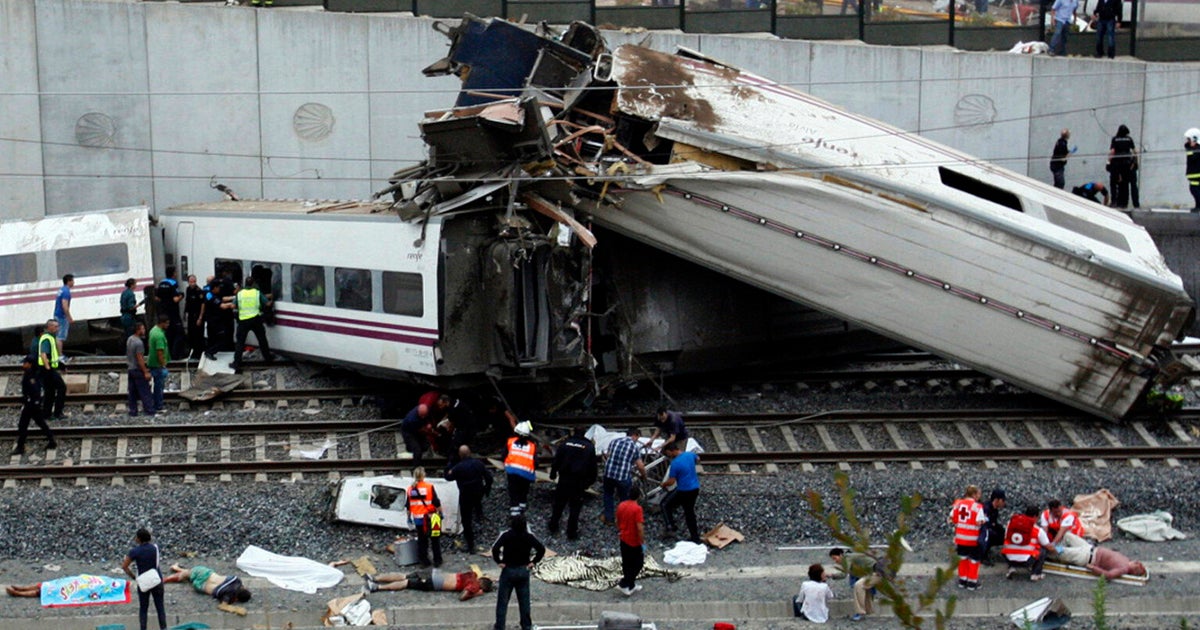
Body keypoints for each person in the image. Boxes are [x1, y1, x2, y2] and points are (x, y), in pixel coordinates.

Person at [491, 513, 545, 630]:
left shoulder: (506, 535)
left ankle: (500, 626)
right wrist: (533, 562)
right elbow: (541, 549)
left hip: (508, 570)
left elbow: (495, 548)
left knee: (502, 602)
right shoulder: (528, 537)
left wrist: (499, 561)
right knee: (524, 602)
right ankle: (526, 625)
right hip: (523, 570)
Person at [548, 426, 597, 540]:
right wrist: (589, 482)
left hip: (564, 479)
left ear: (573, 432)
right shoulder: (589, 447)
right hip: (579, 482)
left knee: (559, 504)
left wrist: (553, 473)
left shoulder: (565, 444)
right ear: (584, 434)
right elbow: (592, 467)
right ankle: (571, 532)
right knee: (575, 507)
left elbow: (556, 460)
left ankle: (553, 525)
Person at [445, 445, 492, 552]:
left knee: (466, 520)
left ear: (460, 455)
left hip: (465, 495)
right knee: (477, 503)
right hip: (478, 491)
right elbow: (489, 478)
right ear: (470, 452)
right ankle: (479, 515)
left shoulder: (458, 468)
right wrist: (486, 489)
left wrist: (450, 464)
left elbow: (448, 477)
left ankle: (470, 545)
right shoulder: (478, 464)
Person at [1052, 531, 1148, 579]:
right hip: (1089, 548)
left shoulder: (1123, 569)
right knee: (1068, 535)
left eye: (1137, 564)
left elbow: (1108, 575)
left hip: (1087, 557)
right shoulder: (1126, 560)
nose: (1137, 562)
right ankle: (1056, 548)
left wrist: (1093, 568)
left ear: (1134, 570)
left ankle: (1046, 552)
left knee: (1060, 551)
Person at [122, 528, 167, 630]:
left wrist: (134, 577)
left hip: (143, 583)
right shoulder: (155, 548)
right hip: (157, 580)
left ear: (139, 539)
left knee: (143, 609)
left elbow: (124, 566)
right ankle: (163, 628)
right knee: (160, 607)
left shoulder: (134, 551)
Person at [828, 547, 888, 622]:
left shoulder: (847, 558)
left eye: (835, 558)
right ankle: (868, 610)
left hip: (879, 572)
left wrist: (831, 575)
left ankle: (860, 613)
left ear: (841, 555)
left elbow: (844, 574)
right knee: (863, 586)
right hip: (875, 573)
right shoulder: (850, 557)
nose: (835, 561)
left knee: (858, 585)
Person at [11, 354, 55, 455]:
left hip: (31, 405)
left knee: (23, 425)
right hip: (33, 404)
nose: (23, 364)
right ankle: (51, 440)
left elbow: (35, 391)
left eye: (25, 363)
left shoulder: (30, 376)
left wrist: (30, 401)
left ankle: (20, 447)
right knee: (40, 423)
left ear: (30, 364)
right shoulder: (32, 373)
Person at [602, 427, 647, 525]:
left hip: (608, 473)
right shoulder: (634, 447)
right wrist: (644, 476)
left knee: (608, 494)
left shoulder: (614, 441)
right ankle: (622, 520)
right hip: (622, 477)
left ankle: (609, 518)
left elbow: (608, 455)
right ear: (636, 435)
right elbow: (640, 466)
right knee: (624, 498)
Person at [659, 441, 701, 544]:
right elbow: (698, 459)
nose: (668, 456)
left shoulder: (675, 463)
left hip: (684, 490)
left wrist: (663, 484)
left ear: (671, 451)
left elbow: (671, 481)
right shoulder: (690, 455)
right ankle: (695, 537)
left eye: (667, 453)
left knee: (665, 504)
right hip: (695, 488)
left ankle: (671, 527)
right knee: (689, 511)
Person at [363, 568, 494, 601]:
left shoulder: (472, 575)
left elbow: (480, 574)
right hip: (435, 583)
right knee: (406, 583)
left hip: (435, 573)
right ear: (482, 588)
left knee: (405, 575)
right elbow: (462, 597)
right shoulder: (474, 587)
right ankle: (377, 587)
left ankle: (375, 577)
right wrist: (476, 594)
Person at [230, 277, 274, 371]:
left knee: (240, 343)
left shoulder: (240, 293)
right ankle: (268, 359)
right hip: (256, 319)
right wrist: (272, 300)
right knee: (262, 340)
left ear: (244, 284)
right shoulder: (257, 292)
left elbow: (233, 306)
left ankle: (236, 363)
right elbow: (267, 304)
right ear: (253, 284)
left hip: (243, 320)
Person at [948, 484, 987, 590]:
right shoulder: (977, 507)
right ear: (974, 494)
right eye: (978, 494)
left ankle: (962, 580)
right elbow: (979, 522)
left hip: (960, 538)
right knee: (974, 560)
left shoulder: (958, 504)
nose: (979, 496)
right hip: (972, 539)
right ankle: (972, 583)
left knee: (962, 559)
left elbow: (951, 518)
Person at [1002, 506, 1055, 581]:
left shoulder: (1010, 525)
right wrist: (1058, 550)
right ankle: (1035, 574)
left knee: (1010, 546)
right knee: (1043, 550)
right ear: (1035, 516)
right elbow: (1049, 547)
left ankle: (1012, 567)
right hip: (1026, 561)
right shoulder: (1037, 529)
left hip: (1008, 558)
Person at [406, 466, 443, 567]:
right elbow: (436, 502)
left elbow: (408, 506)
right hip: (431, 518)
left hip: (418, 520)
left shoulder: (410, 489)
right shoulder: (429, 487)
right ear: (424, 475)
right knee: (435, 539)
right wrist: (441, 513)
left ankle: (424, 561)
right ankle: (437, 560)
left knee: (422, 540)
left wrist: (408, 518)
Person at [162, 564, 252, 604]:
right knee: (189, 577)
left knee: (190, 573)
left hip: (206, 574)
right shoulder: (228, 596)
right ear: (236, 598)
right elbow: (223, 605)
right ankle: (176, 569)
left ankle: (169, 576)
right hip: (201, 586)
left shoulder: (236, 579)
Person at [615, 485, 645, 597]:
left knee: (627, 562)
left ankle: (631, 585)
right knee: (638, 563)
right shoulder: (637, 509)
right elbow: (639, 528)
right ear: (638, 496)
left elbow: (617, 520)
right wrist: (642, 542)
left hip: (623, 538)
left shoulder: (621, 505)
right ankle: (625, 583)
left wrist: (620, 530)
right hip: (634, 541)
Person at [36, 319, 67, 421]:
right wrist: (48, 368)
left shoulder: (50, 337)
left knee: (50, 392)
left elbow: (52, 356)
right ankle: (58, 413)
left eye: (58, 326)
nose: (57, 329)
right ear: (49, 327)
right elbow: (44, 354)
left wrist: (60, 365)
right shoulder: (47, 338)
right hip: (47, 370)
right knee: (61, 388)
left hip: (47, 369)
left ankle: (47, 414)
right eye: (56, 327)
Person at [504, 421, 538, 511]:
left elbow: (503, 456)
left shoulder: (510, 442)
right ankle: (522, 504)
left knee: (513, 489)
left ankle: (514, 509)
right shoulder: (532, 446)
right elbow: (536, 462)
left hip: (512, 470)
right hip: (526, 472)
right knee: (524, 489)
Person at [155, 267, 185, 359]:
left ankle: (169, 355)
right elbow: (175, 299)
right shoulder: (173, 283)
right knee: (180, 333)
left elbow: (157, 298)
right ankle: (176, 355)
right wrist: (182, 296)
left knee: (168, 334)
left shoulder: (161, 283)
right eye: (175, 272)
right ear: (173, 274)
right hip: (173, 313)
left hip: (164, 313)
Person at [127, 322, 155, 417]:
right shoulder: (139, 343)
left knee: (132, 393)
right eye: (142, 329)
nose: (144, 330)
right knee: (145, 391)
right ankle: (150, 410)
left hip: (130, 369)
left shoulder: (130, 339)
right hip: (137, 370)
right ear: (138, 330)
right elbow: (140, 359)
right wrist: (145, 371)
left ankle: (133, 411)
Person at [1108, 124, 1138, 209]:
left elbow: (1112, 152)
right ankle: (1127, 203)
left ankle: (1116, 202)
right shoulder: (1129, 139)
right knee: (1126, 184)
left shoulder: (1115, 139)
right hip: (1127, 164)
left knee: (1116, 183)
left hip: (1117, 163)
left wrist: (1108, 162)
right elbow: (1135, 151)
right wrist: (1135, 163)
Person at [199, 280, 231, 360]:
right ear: (215, 288)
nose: (220, 289)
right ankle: (210, 352)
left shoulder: (209, 294)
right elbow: (222, 306)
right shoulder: (212, 297)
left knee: (212, 339)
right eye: (218, 287)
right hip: (215, 322)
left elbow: (222, 299)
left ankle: (210, 351)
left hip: (211, 321)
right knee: (222, 339)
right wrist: (232, 304)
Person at [147, 315, 171, 415]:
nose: (168, 325)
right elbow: (160, 352)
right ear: (162, 323)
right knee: (159, 387)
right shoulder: (159, 336)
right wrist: (163, 364)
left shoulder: (153, 330)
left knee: (155, 386)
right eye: (167, 323)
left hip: (152, 362)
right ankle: (158, 406)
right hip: (157, 365)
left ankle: (152, 404)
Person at [981, 488, 1007, 565]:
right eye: (1002, 500)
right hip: (982, 531)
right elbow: (985, 524)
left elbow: (994, 523)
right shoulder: (986, 509)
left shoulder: (995, 510)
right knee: (990, 534)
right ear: (997, 500)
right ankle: (983, 554)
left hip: (988, 528)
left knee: (1001, 533)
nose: (1004, 503)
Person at [184, 275, 206, 360]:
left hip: (197, 316)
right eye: (191, 282)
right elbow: (187, 301)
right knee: (191, 334)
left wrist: (200, 317)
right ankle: (192, 352)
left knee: (198, 335)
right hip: (191, 315)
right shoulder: (188, 289)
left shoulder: (199, 291)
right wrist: (185, 313)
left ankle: (199, 353)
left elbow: (202, 305)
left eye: (194, 282)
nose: (192, 284)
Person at [53, 274, 74, 355]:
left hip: (57, 314)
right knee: (60, 337)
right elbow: (64, 306)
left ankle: (58, 354)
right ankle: (60, 355)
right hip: (62, 316)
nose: (73, 283)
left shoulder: (61, 290)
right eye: (72, 281)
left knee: (58, 335)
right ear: (68, 281)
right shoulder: (66, 292)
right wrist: (69, 317)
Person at [120, 277, 145, 343]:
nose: (136, 285)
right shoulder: (131, 294)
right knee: (132, 335)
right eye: (135, 284)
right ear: (132, 285)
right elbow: (131, 307)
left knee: (127, 335)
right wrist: (140, 304)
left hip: (123, 316)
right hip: (129, 317)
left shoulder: (124, 293)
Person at [1185, 128, 1200, 212]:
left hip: (1197, 174)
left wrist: (1188, 148)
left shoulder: (1197, 149)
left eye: (1189, 140)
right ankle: (1198, 206)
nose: (1188, 142)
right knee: (1195, 190)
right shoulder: (1194, 149)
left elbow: (1192, 158)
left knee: (1195, 190)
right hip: (1194, 174)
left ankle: (1198, 206)